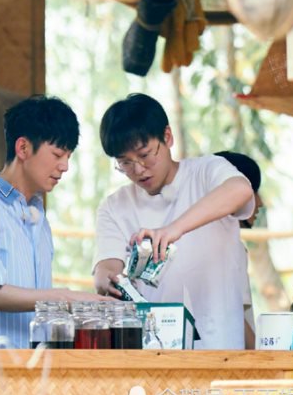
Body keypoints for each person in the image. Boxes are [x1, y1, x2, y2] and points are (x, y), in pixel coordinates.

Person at [0, 95, 110, 349]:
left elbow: (38, 305)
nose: (65, 166)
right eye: (57, 154)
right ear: (23, 148)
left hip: (30, 366)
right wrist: (66, 297)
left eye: (68, 156)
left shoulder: (39, 218)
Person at [93, 93, 255, 349]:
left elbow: (240, 190)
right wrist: (108, 281)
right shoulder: (115, 206)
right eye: (125, 163)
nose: (138, 170)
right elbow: (107, 266)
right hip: (155, 353)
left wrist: (172, 230)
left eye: (145, 155)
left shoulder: (206, 171)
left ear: (167, 137)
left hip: (222, 348)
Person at [214, 151, 264, 350]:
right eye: (254, 191)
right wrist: (260, 360)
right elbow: (235, 316)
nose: (260, 202)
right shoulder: (230, 247)